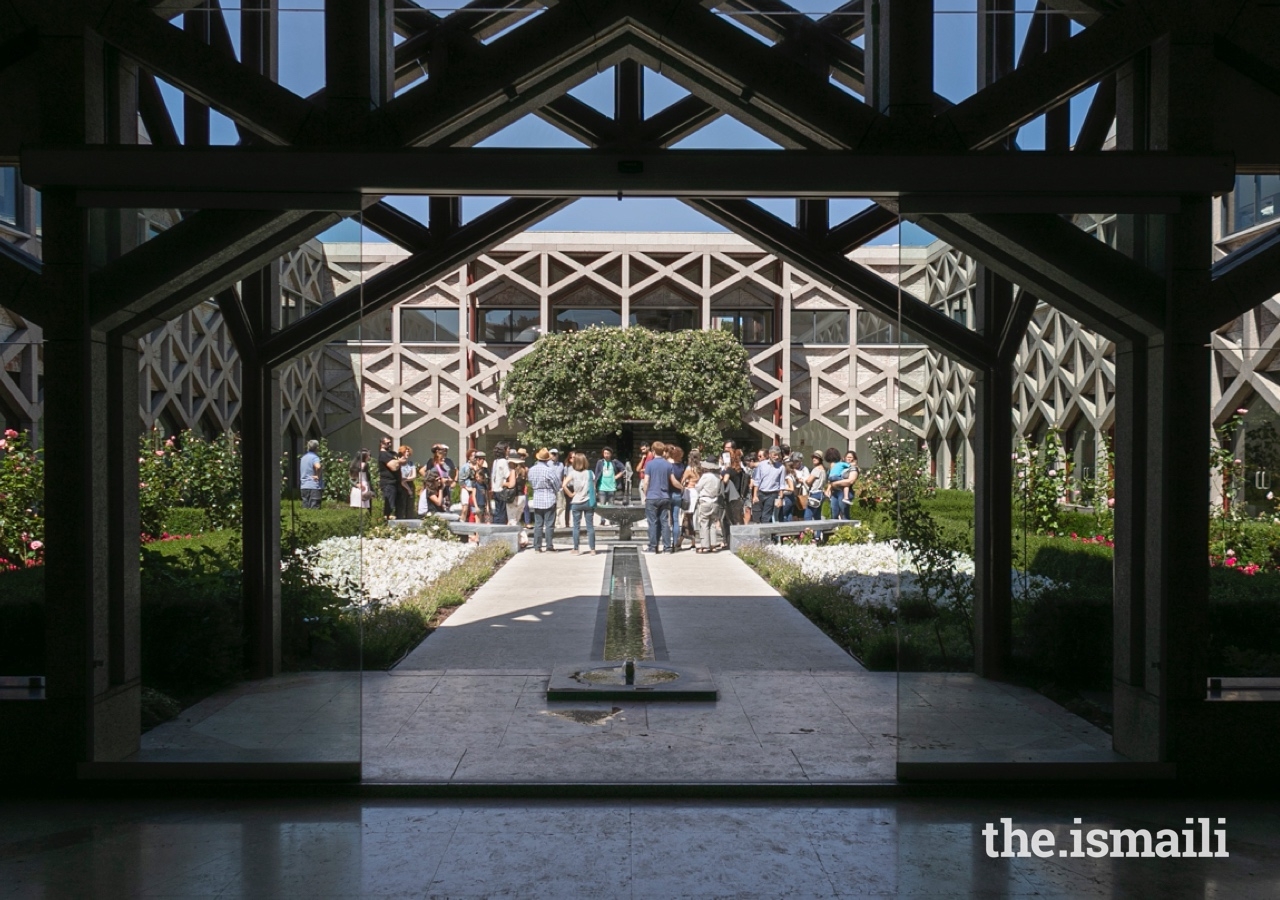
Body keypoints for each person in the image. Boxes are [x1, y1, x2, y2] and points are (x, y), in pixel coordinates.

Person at [643, 441, 680, 553]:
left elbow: (646, 482)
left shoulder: (649, 464)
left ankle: (653, 547)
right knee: (665, 522)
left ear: (653, 451)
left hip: (652, 497)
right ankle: (667, 547)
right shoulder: (668, 465)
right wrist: (682, 487)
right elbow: (673, 481)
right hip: (665, 496)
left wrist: (646, 494)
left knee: (652, 522)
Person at [527, 448, 560, 552]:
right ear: (547, 459)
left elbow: (531, 483)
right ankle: (549, 546)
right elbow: (556, 484)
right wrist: (554, 490)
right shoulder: (549, 470)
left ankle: (537, 546)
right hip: (549, 497)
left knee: (538, 524)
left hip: (537, 497)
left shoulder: (531, 470)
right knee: (549, 524)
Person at [564, 451, 597, 555]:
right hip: (588, 501)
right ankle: (592, 549)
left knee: (576, 526)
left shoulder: (573, 473)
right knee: (590, 526)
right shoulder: (590, 473)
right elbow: (594, 488)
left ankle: (576, 549)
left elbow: (564, 485)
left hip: (576, 502)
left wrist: (570, 494)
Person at [694, 459, 724, 552]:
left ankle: (705, 546)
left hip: (705, 500)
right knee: (713, 524)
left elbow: (698, 487)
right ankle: (713, 545)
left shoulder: (705, 476)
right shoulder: (718, 477)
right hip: (714, 500)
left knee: (704, 523)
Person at [753, 445, 787, 523]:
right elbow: (757, 480)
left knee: (766, 516)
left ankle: (766, 535)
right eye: (775, 455)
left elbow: (782, 484)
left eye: (778, 455)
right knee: (758, 515)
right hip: (761, 493)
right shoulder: (762, 465)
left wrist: (780, 499)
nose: (777, 457)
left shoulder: (781, 467)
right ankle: (764, 533)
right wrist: (755, 495)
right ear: (769, 454)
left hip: (772, 494)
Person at [721, 450, 750, 537]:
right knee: (738, 518)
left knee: (729, 519)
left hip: (730, 497)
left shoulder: (729, 470)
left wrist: (722, 474)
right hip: (739, 497)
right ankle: (741, 536)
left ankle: (733, 538)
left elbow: (725, 480)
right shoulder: (740, 470)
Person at [667, 445, 687, 549]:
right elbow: (683, 480)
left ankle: (666, 542)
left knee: (665, 518)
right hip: (677, 493)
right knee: (675, 519)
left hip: (667, 493)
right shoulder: (681, 466)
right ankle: (675, 542)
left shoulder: (667, 465)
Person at [377, 436, 400, 518]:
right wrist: (399, 462)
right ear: (382, 444)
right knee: (389, 504)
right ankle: (386, 520)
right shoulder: (383, 455)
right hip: (388, 483)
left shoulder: (391, 453)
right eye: (387, 443)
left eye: (390, 442)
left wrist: (397, 462)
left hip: (395, 482)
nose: (390, 444)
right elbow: (393, 467)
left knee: (394, 503)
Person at [803, 449, 828, 521]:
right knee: (817, 516)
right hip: (821, 494)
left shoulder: (817, 469)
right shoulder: (823, 469)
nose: (814, 459)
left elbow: (809, 481)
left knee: (807, 516)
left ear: (820, 459)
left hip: (814, 493)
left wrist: (803, 481)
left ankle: (808, 532)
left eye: (816, 457)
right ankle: (818, 532)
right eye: (813, 457)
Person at [490, 441, 511, 524]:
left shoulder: (495, 461)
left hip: (495, 489)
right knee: (502, 513)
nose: (509, 450)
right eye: (508, 448)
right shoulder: (503, 461)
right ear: (504, 450)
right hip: (502, 489)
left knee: (498, 512)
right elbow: (507, 475)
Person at [824, 447, 849, 520]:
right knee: (838, 511)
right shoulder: (839, 465)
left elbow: (830, 481)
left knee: (840, 512)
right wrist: (828, 490)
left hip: (839, 491)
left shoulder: (839, 465)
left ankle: (844, 528)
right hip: (837, 491)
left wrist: (828, 489)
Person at [299, 439, 323, 509]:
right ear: (317, 448)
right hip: (314, 486)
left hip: (304, 486)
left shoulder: (303, 457)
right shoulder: (315, 457)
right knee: (314, 509)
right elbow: (318, 467)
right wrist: (318, 476)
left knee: (305, 508)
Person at [348, 449, 372, 513]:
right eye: (368, 456)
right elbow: (367, 478)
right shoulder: (365, 465)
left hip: (356, 489)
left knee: (356, 510)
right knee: (366, 509)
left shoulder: (353, 465)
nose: (369, 457)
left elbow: (350, 479)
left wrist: (356, 484)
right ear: (364, 456)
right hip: (364, 488)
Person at [396, 445, 416, 520]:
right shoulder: (399, 463)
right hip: (401, 487)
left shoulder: (411, 463)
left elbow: (413, 476)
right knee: (401, 505)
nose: (407, 453)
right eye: (405, 452)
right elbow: (401, 480)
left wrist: (406, 479)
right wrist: (408, 489)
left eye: (408, 451)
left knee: (410, 505)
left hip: (410, 484)